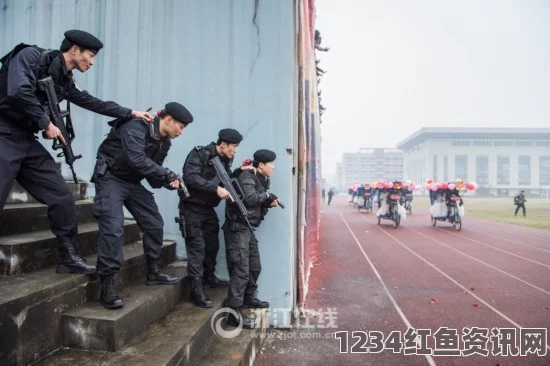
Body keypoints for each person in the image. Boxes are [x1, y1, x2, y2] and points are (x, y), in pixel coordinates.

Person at [0, 30, 153, 275]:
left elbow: (92, 102)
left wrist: (129, 112)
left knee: (62, 196)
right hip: (3, 131)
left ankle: (68, 257)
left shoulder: (64, 79)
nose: (92, 62)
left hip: (26, 139)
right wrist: (45, 123)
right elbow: (18, 90)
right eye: (90, 56)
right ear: (74, 49)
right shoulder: (30, 56)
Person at [91, 102, 192, 309]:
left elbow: (153, 177)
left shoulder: (165, 143)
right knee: (113, 228)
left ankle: (154, 272)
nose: (181, 132)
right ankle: (107, 284)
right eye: (181, 127)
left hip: (131, 182)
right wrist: (166, 174)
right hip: (111, 177)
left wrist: (168, 181)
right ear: (169, 120)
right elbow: (136, 159)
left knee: (154, 222)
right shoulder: (137, 126)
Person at [179, 128, 252, 308]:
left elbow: (224, 179)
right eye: (233, 146)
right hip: (191, 209)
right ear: (223, 144)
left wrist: (239, 172)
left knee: (212, 246)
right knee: (197, 249)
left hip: (208, 209)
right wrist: (215, 189)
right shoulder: (199, 154)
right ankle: (196, 292)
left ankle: (209, 277)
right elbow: (191, 177)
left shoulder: (225, 160)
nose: (235, 150)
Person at [223, 149, 278, 328]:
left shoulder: (262, 179)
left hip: (246, 228)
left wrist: (268, 202)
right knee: (241, 270)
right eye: (271, 164)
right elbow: (250, 198)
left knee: (254, 267)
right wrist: (267, 196)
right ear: (261, 164)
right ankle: (234, 314)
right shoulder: (247, 176)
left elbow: (258, 203)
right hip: (237, 228)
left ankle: (248, 299)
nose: (274, 167)